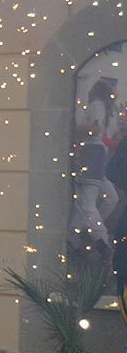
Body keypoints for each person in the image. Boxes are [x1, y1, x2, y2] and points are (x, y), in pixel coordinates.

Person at [70, 77, 119, 263]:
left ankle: (101, 241)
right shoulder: (107, 111)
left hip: (90, 154)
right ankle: (81, 234)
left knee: (85, 204)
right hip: (98, 156)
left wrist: (75, 127)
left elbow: (94, 129)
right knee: (110, 198)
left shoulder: (97, 105)